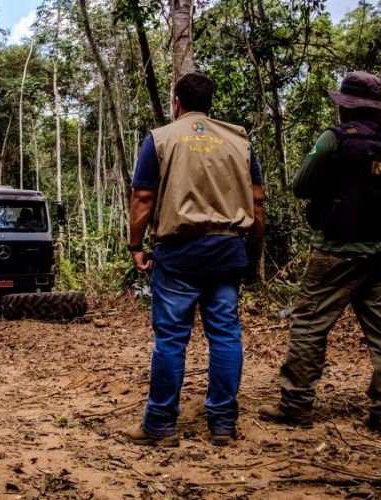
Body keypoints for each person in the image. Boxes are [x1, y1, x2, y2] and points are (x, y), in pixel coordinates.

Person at [259, 71, 381, 436]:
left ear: (347, 108)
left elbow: (300, 186)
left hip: (337, 250)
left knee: (309, 324)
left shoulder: (335, 140)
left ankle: (296, 404)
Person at [123, 72, 265, 447]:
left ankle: (159, 424)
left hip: (179, 253)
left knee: (171, 338)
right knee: (225, 334)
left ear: (177, 102)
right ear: (210, 103)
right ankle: (221, 423)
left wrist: (136, 246)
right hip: (227, 250)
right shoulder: (238, 139)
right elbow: (258, 200)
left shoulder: (161, 138)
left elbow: (142, 199)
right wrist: (256, 249)